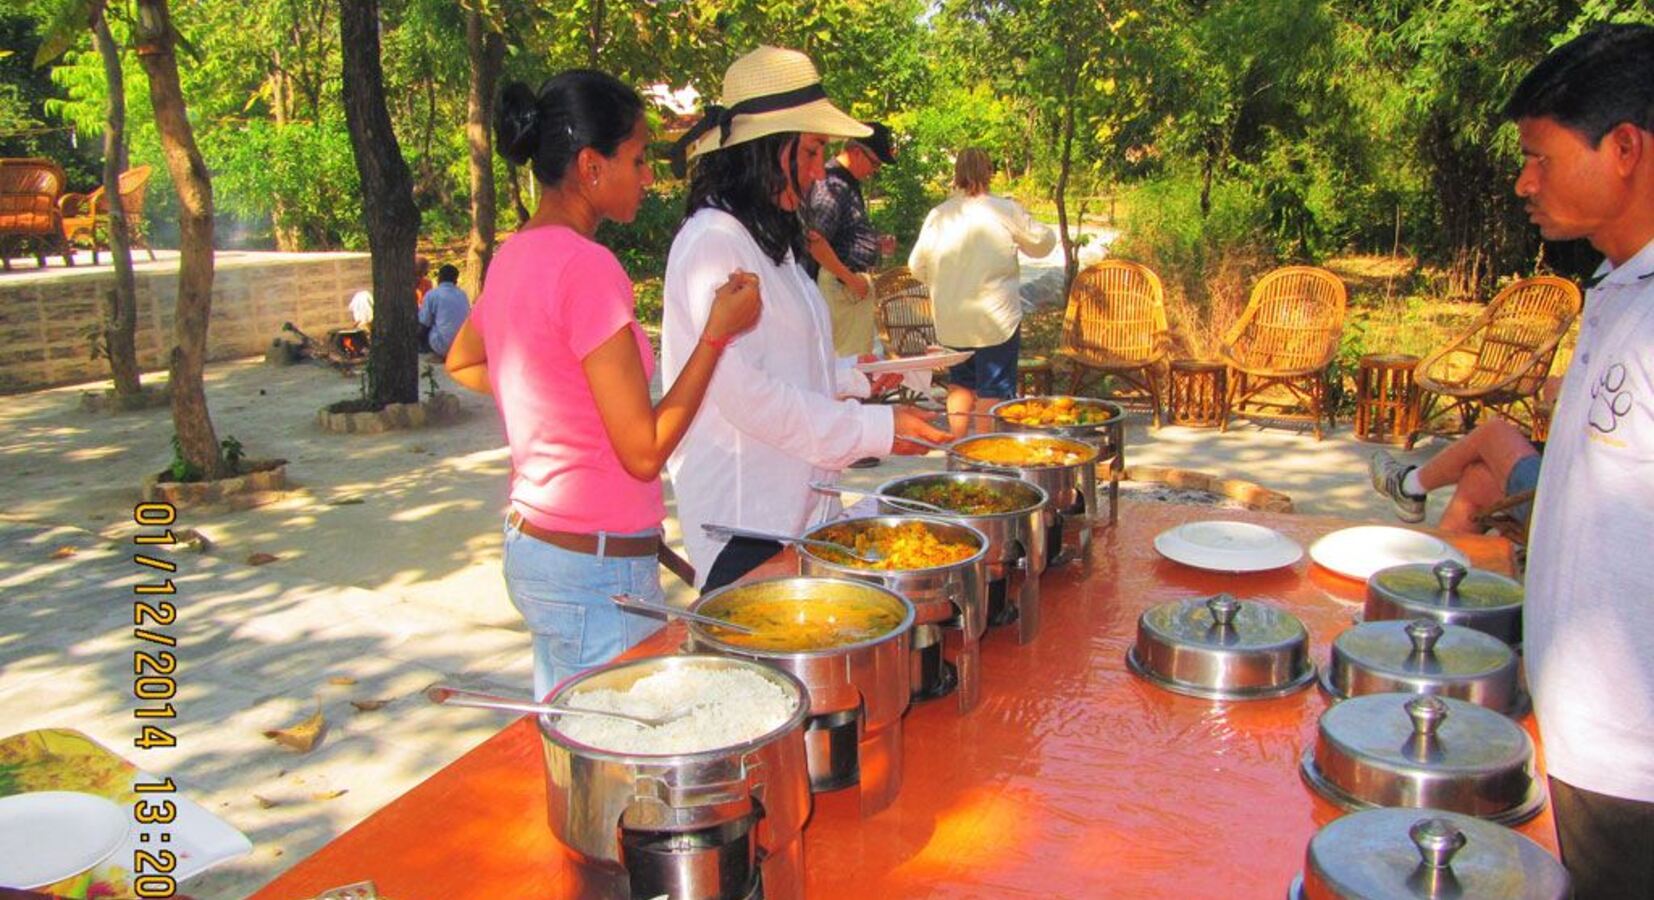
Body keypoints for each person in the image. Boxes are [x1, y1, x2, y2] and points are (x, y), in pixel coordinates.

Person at [444, 70, 761, 699]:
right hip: (593, 570)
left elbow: (463, 361)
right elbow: (643, 453)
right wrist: (716, 336)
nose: (649, 176)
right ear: (591, 166)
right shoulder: (587, 268)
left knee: (575, 747)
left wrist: (559, 403)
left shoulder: (515, 256)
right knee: (622, 768)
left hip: (540, 548)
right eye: (638, 160)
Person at [661, 46, 950, 592]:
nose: (820, 174)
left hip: (800, 516)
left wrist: (853, 375)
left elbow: (788, 358)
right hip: (747, 531)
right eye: (813, 152)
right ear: (769, 151)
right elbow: (748, 396)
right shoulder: (713, 244)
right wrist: (876, 430)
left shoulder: (770, 239)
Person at [1503, 24, 1654, 899]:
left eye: (1542, 158)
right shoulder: (1619, 284)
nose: (1525, 182)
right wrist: (1520, 475)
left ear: (1625, 148)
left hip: (1633, 775)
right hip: (1578, 740)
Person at [908, 148, 1056, 439]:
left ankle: (958, 447)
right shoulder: (1004, 210)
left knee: (961, 384)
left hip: (952, 319)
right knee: (993, 387)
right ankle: (983, 451)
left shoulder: (939, 215)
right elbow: (1042, 243)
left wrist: (943, 281)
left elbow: (916, 266)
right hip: (995, 319)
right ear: (989, 172)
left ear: (957, 176)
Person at [805, 120, 899, 357]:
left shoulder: (846, 182)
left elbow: (842, 232)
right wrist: (850, 278)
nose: (874, 172)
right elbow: (814, 237)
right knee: (849, 366)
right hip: (841, 287)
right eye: (875, 163)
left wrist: (873, 241)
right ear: (856, 152)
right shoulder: (833, 183)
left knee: (859, 362)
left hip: (848, 287)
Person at [1368, 417, 1541, 533]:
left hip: (1559, 512)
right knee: (1477, 480)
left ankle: (1408, 486)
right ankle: (1441, 573)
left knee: (1493, 431)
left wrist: (1557, 401)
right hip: (1554, 504)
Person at [418, 264, 470, 360]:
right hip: (461, 346)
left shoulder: (433, 294)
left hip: (442, 346)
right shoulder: (463, 294)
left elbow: (424, 323)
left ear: (439, 278)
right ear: (455, 280)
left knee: (425, 320)